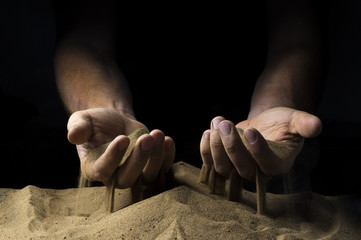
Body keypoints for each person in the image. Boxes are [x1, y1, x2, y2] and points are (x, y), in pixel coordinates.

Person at [54, 0, 325, 191]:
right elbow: (84, 38)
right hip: (130, 132)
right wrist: (110, 109)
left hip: (254, 141)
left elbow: (296, 38)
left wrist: (274, 105)